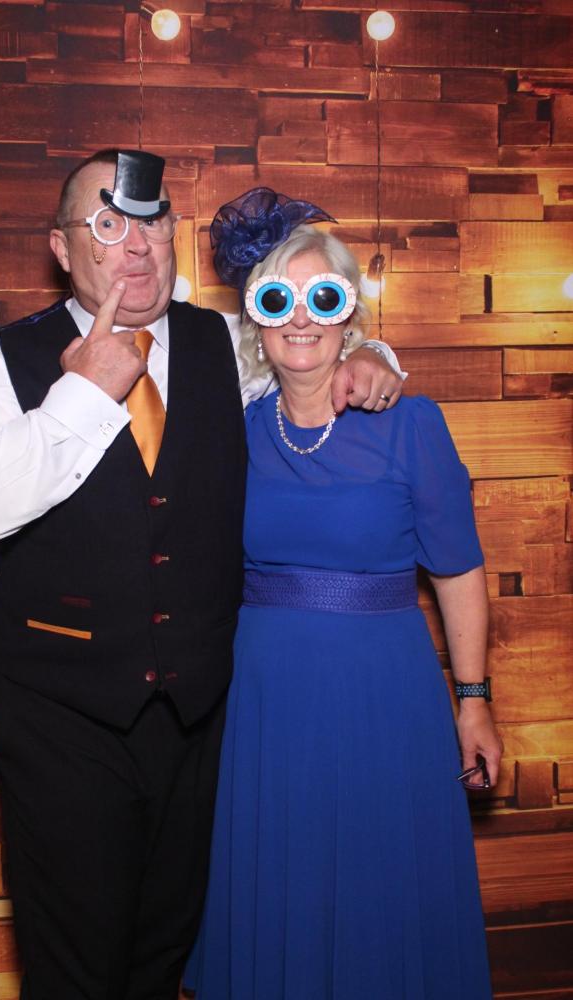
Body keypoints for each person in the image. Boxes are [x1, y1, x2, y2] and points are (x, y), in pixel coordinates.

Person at [0, 151, 404, 1000]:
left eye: (151, 222)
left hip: (193, 717)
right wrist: (81, 396)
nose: (137, 245)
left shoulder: (222, 340)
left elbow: (309, 346)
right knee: (77, 964)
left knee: (162, 950)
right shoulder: (1, 359)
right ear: (62, 248)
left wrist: (373, 356)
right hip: (60, 711)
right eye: (107, 225)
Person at [184, 190, 503, 1000]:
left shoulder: (410, 424)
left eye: (320, 298)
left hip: (383, 697)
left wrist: (472, 701)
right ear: (254, 317)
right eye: (277, 300)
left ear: (347, 311)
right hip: (264, 704)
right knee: (279, 885)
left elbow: (458, 570)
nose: (299, 318)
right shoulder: (234, 430)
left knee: (378, 887)